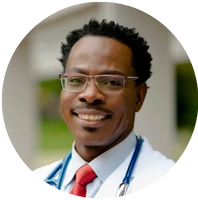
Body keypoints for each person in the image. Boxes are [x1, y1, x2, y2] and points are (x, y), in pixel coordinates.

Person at [31, 18, 175, 200]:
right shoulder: (36, 182)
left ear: (139, 97)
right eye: (76, 79)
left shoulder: (173, 186)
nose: (90, 95)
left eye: (112, 82)